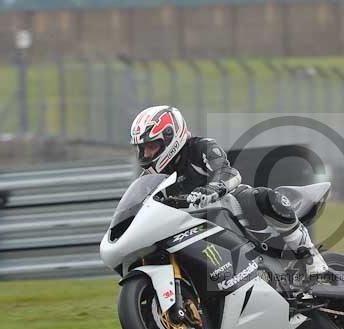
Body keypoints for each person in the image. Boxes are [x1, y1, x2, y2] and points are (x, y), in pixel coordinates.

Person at [130, 105, 329, 279]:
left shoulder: (201, 147)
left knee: (260, 197)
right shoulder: (149, 178)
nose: (147, 154)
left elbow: (228, 172)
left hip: (225, 206)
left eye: (152, 146)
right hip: (189, 227)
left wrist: (212, 188)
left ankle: (310, 258)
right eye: (143, 149)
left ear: (169, 138)